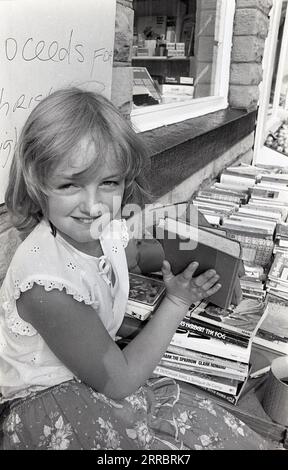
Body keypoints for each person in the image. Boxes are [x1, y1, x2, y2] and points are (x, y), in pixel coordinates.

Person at [0, 88, 274, 450]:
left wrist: (205, 252)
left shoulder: (101, 228)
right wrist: (176, 302)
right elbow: (121, 381)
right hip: (52, 404)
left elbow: (135, 253)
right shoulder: (46, 285)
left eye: (109, 182)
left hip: (97, 373)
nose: (94, 206)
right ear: (38, 182)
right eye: (70, 185)